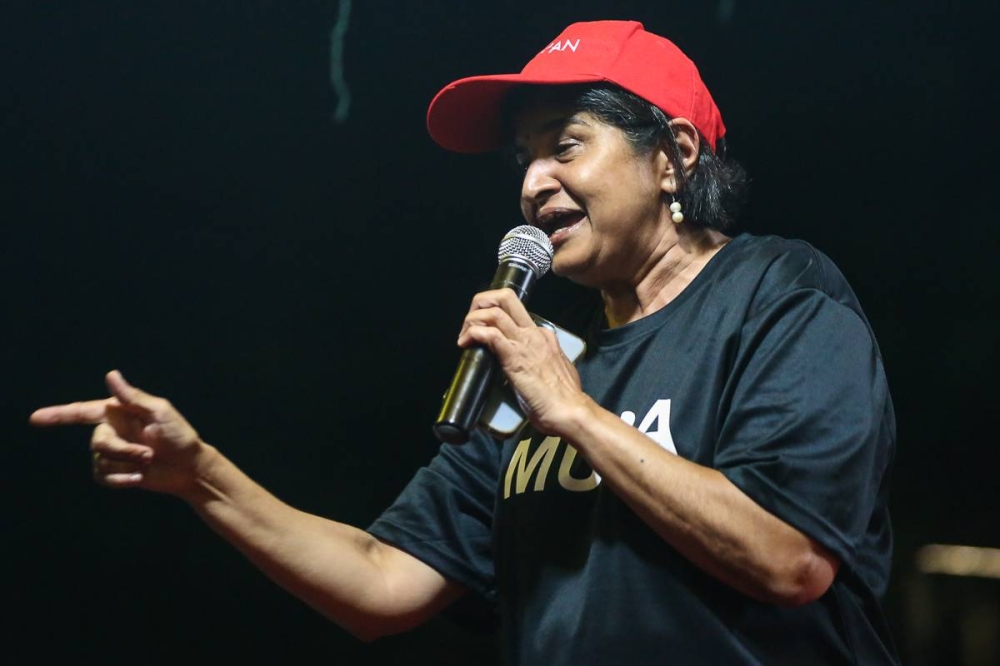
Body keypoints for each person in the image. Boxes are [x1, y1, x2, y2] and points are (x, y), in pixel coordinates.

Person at [30, 20, 899, 665]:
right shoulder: (535, 366)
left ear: (671, 157)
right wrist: (202, 476)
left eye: (566, 144)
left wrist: (575, 414)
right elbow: (381, 582)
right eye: (521, 158)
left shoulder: (778, 292)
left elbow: (793, 561)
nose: (531, 185)